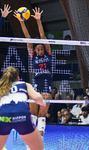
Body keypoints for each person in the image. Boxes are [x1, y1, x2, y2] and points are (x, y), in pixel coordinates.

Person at [14, 7, 52, 138]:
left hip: (47, 85)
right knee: (33, 115)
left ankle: (39, 141)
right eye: (39, 48)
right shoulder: (33, 55)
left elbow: (42, 36)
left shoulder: (49, 54)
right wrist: (21, 21)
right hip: (36, 84)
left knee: (42, 116)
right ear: (35, 50)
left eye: (42, 48)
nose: (41, 50)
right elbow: (27, 37)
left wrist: (38, 20)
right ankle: (30, 143)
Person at [0, 66, 46, 150]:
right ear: (18, 78)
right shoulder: (24, 84)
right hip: (22, 116)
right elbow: (37, 97)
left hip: (3, 117)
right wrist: (42, 103)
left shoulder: (1, 87)